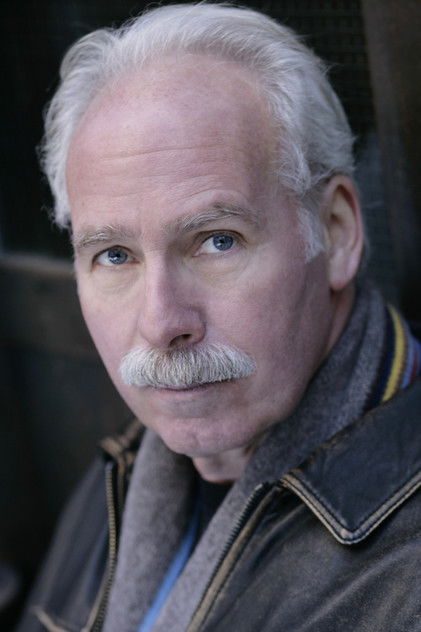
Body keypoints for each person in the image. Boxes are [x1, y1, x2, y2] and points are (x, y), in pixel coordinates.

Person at [17, 3, 421, 631]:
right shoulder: (128, 468)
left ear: (336, 231)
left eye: (217, 241)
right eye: (115, 255)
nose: (162, 323)